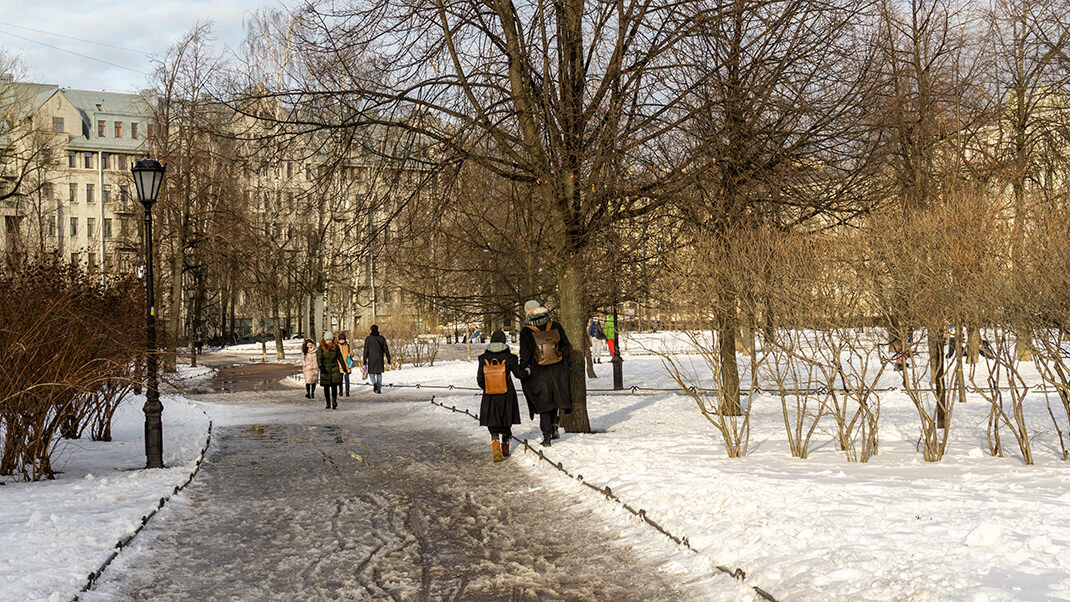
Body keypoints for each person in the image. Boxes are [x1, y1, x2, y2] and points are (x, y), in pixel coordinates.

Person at [519, 300, 572, 447]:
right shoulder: (554, 325)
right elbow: (566, 346)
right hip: (558, 370)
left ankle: (547, 436)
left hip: (538, 373)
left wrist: (522, 370)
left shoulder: (526, 331)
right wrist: (566, 363)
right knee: (555, 399)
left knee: (544, 404)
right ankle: (554, 425)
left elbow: (525, 355)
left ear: (529, 313)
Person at [477, 330, 522, 462]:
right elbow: (519, 374)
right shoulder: (510, 358)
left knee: (493, 420)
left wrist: (488, 387)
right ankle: (506, 444)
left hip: (490, 394)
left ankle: (495, 443)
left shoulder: (483, 358)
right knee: (506, 419)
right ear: (504, 341)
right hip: (507, 394)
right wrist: (528, 370)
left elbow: (480, 380)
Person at [317, 331, 344, 409]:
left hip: (334, 368)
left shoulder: (336, 347)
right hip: (325, 369)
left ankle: (334, 401)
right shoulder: (321, 348)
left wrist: (344, 366)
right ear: (325, 340)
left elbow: (340, 357)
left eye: (330, 340)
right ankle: (328, 403)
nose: (329, 341)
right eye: (327, 340)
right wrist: (321, 366)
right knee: (326, 387)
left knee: (334, 386)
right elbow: (319, 358)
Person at [363, 324, 391, 394]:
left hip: (371, 358)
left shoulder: (368, 339)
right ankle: (378, 389)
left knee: (371, 373)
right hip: (379, 358)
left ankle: (374, 383)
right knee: (379, 374)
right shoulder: (381, 338)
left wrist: (364, 359)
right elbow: (386, 349)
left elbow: (366, 350)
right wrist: (388, 358)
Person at [337, 332, 355, 396]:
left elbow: (352, 353)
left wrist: (350, 355)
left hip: (347, 365)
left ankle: (347, 392)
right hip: (339, 366)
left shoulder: (347, 346)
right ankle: (340, 391)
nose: (342, 340)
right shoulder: (337, 346)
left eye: (343, 339)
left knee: (347, 380)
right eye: (341, 339)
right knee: (340, 380)